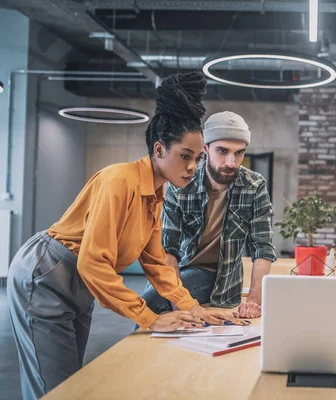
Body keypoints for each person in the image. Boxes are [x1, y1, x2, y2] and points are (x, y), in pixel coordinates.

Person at [7, 72, 245, 400]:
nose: (192, 167)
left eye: (197, 158)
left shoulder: (156, 194)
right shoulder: (120, 180)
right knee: (54, 388)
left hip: (80, 283)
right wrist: (150, 318)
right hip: (49, 272)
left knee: (72, 382)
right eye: (185, 156)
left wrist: (191, 306)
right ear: (159, 149)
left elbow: (156, 263)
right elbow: (93, 263)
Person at [141, 111, 276, 319]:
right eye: (222, 151)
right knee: (151, 302)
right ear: (205, 149)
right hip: (181, 268)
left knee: (152, 302)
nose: (231, 162)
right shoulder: (180, 185)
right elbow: (168, 249)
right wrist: (180, 301)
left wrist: (254, 300)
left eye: (239, 153)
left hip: (222, 276)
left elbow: (262, 248)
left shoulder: (254, 186)